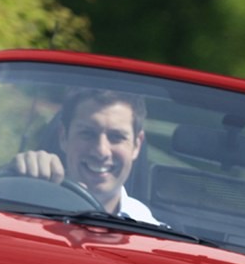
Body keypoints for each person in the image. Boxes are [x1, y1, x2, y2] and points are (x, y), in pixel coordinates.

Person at [8, 89, 157, 221]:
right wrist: (19, 184)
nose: (101, 151)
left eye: (116, 137)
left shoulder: (153, 236)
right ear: (64, 137)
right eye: (87, 134)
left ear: (137, 145)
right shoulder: (26, 204)